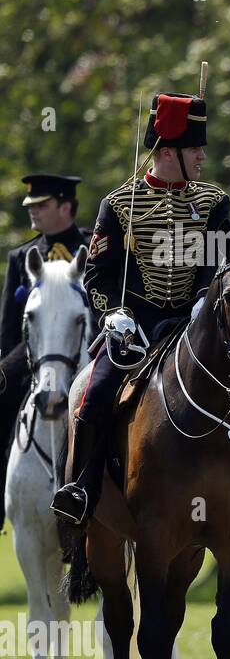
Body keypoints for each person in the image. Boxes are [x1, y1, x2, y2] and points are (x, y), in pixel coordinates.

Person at [51, 88, 230, 526]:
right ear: (169, 149)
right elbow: (98, 274)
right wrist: (111, 315)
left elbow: (226, 265)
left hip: (196, 321)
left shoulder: (213, 203)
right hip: (133, 326)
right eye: (195, 148)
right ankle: (81, 486)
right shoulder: (119, 205)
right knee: (96, 390)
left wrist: (207, 300)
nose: (201, 158)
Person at [0, 174, 89, 527]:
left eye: (42, 205)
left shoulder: (91, 248)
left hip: (84, 351)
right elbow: (9, 326)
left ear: (66, 206)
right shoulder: (22, 256)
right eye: (31, 207)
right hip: (32, 357)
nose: (33, 212)